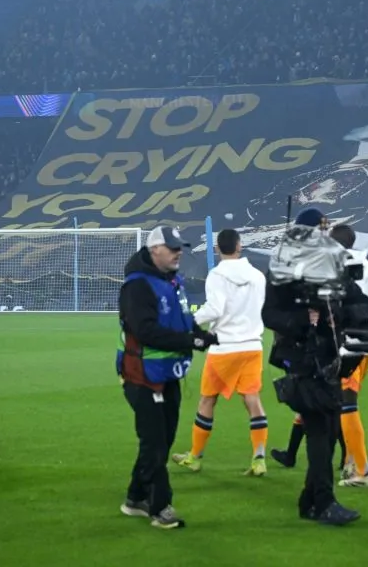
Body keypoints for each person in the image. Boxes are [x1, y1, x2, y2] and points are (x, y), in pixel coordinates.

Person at [262, 207, 368, 526]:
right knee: (320, 430)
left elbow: (363, 304)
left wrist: (337, 315)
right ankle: (322, 502)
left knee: (326, 431)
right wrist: (303, 319)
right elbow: (269, 316)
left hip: (331, 359)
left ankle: (310, 500)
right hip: (302, 360)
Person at [116, 225, 216, 529]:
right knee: (156, 442)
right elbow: (144, 331)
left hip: (167, 374)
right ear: (153, 249)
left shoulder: (172, 281)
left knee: (163, 440)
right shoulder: (137, 286)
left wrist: (202, 335)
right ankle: (161, 507)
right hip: (141, 375)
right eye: (172, 247)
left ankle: (135, 497)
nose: (178, 252)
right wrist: (191, 341)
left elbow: (181, 322)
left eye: (180, 247)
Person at [172, 228, 269, 476]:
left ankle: (194, 456)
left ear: (217, 248)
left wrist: (190, 320)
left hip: (224, 346)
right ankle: (259, 459)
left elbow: (215, 309)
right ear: (239, 246)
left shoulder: (216, 275)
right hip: (251, 345)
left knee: (208, 400)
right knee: (252, 400)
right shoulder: (258, 276)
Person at [330, 223, 368, 487]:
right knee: (346, 403)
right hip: (367, 345)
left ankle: (363, 472)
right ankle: (350, 462)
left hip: (347, 347)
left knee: (347, 404)